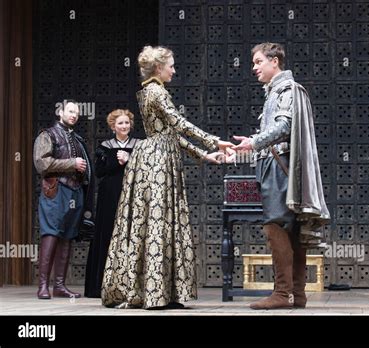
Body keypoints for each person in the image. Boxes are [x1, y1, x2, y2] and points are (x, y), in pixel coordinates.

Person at [101, 46, 234, 309]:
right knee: (157, 224)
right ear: (159, 68)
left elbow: (171, 133)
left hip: (160, 156)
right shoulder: (155, 91)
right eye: (171, 65)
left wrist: (205, 155)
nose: (174, 70)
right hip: (156, 163)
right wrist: (214, 141)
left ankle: (163, 292)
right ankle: (153, 293)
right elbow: (178, 123)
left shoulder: (153, 91)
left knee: (162, 224)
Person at [233, 42, 330, 309]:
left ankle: (283, 293)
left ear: (274, 61)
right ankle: (296, 294)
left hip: (278, 166)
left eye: (258, 62)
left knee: (275, 224)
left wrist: (253, 142)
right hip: (279, 163)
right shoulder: (277, 90)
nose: (254, 68)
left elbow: (284, 126)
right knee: (292, 228)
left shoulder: (285, 89)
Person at [33, 99, 93, 299]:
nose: (74, 115)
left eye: (76, 112)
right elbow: (42, 163)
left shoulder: (77, 139)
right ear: (60, 112)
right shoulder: (47, 134)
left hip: (75, 191)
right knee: (51, 233)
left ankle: (59, 286)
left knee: (68, 236)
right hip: (56, 189)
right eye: (70, 111)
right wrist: (71, 163)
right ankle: (43, 286)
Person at [84, 109, 140, 298]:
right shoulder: (104, 147)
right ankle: (103, 285)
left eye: (127, 123)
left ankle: (132, 285)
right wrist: (118, 162)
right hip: (109, 195)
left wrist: (129, 159)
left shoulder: (139, 145)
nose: (124, 126)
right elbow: (100, 171)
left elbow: (146, 169)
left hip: (133, 193)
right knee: (108, 233)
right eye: (120, 123)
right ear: (113, 126)